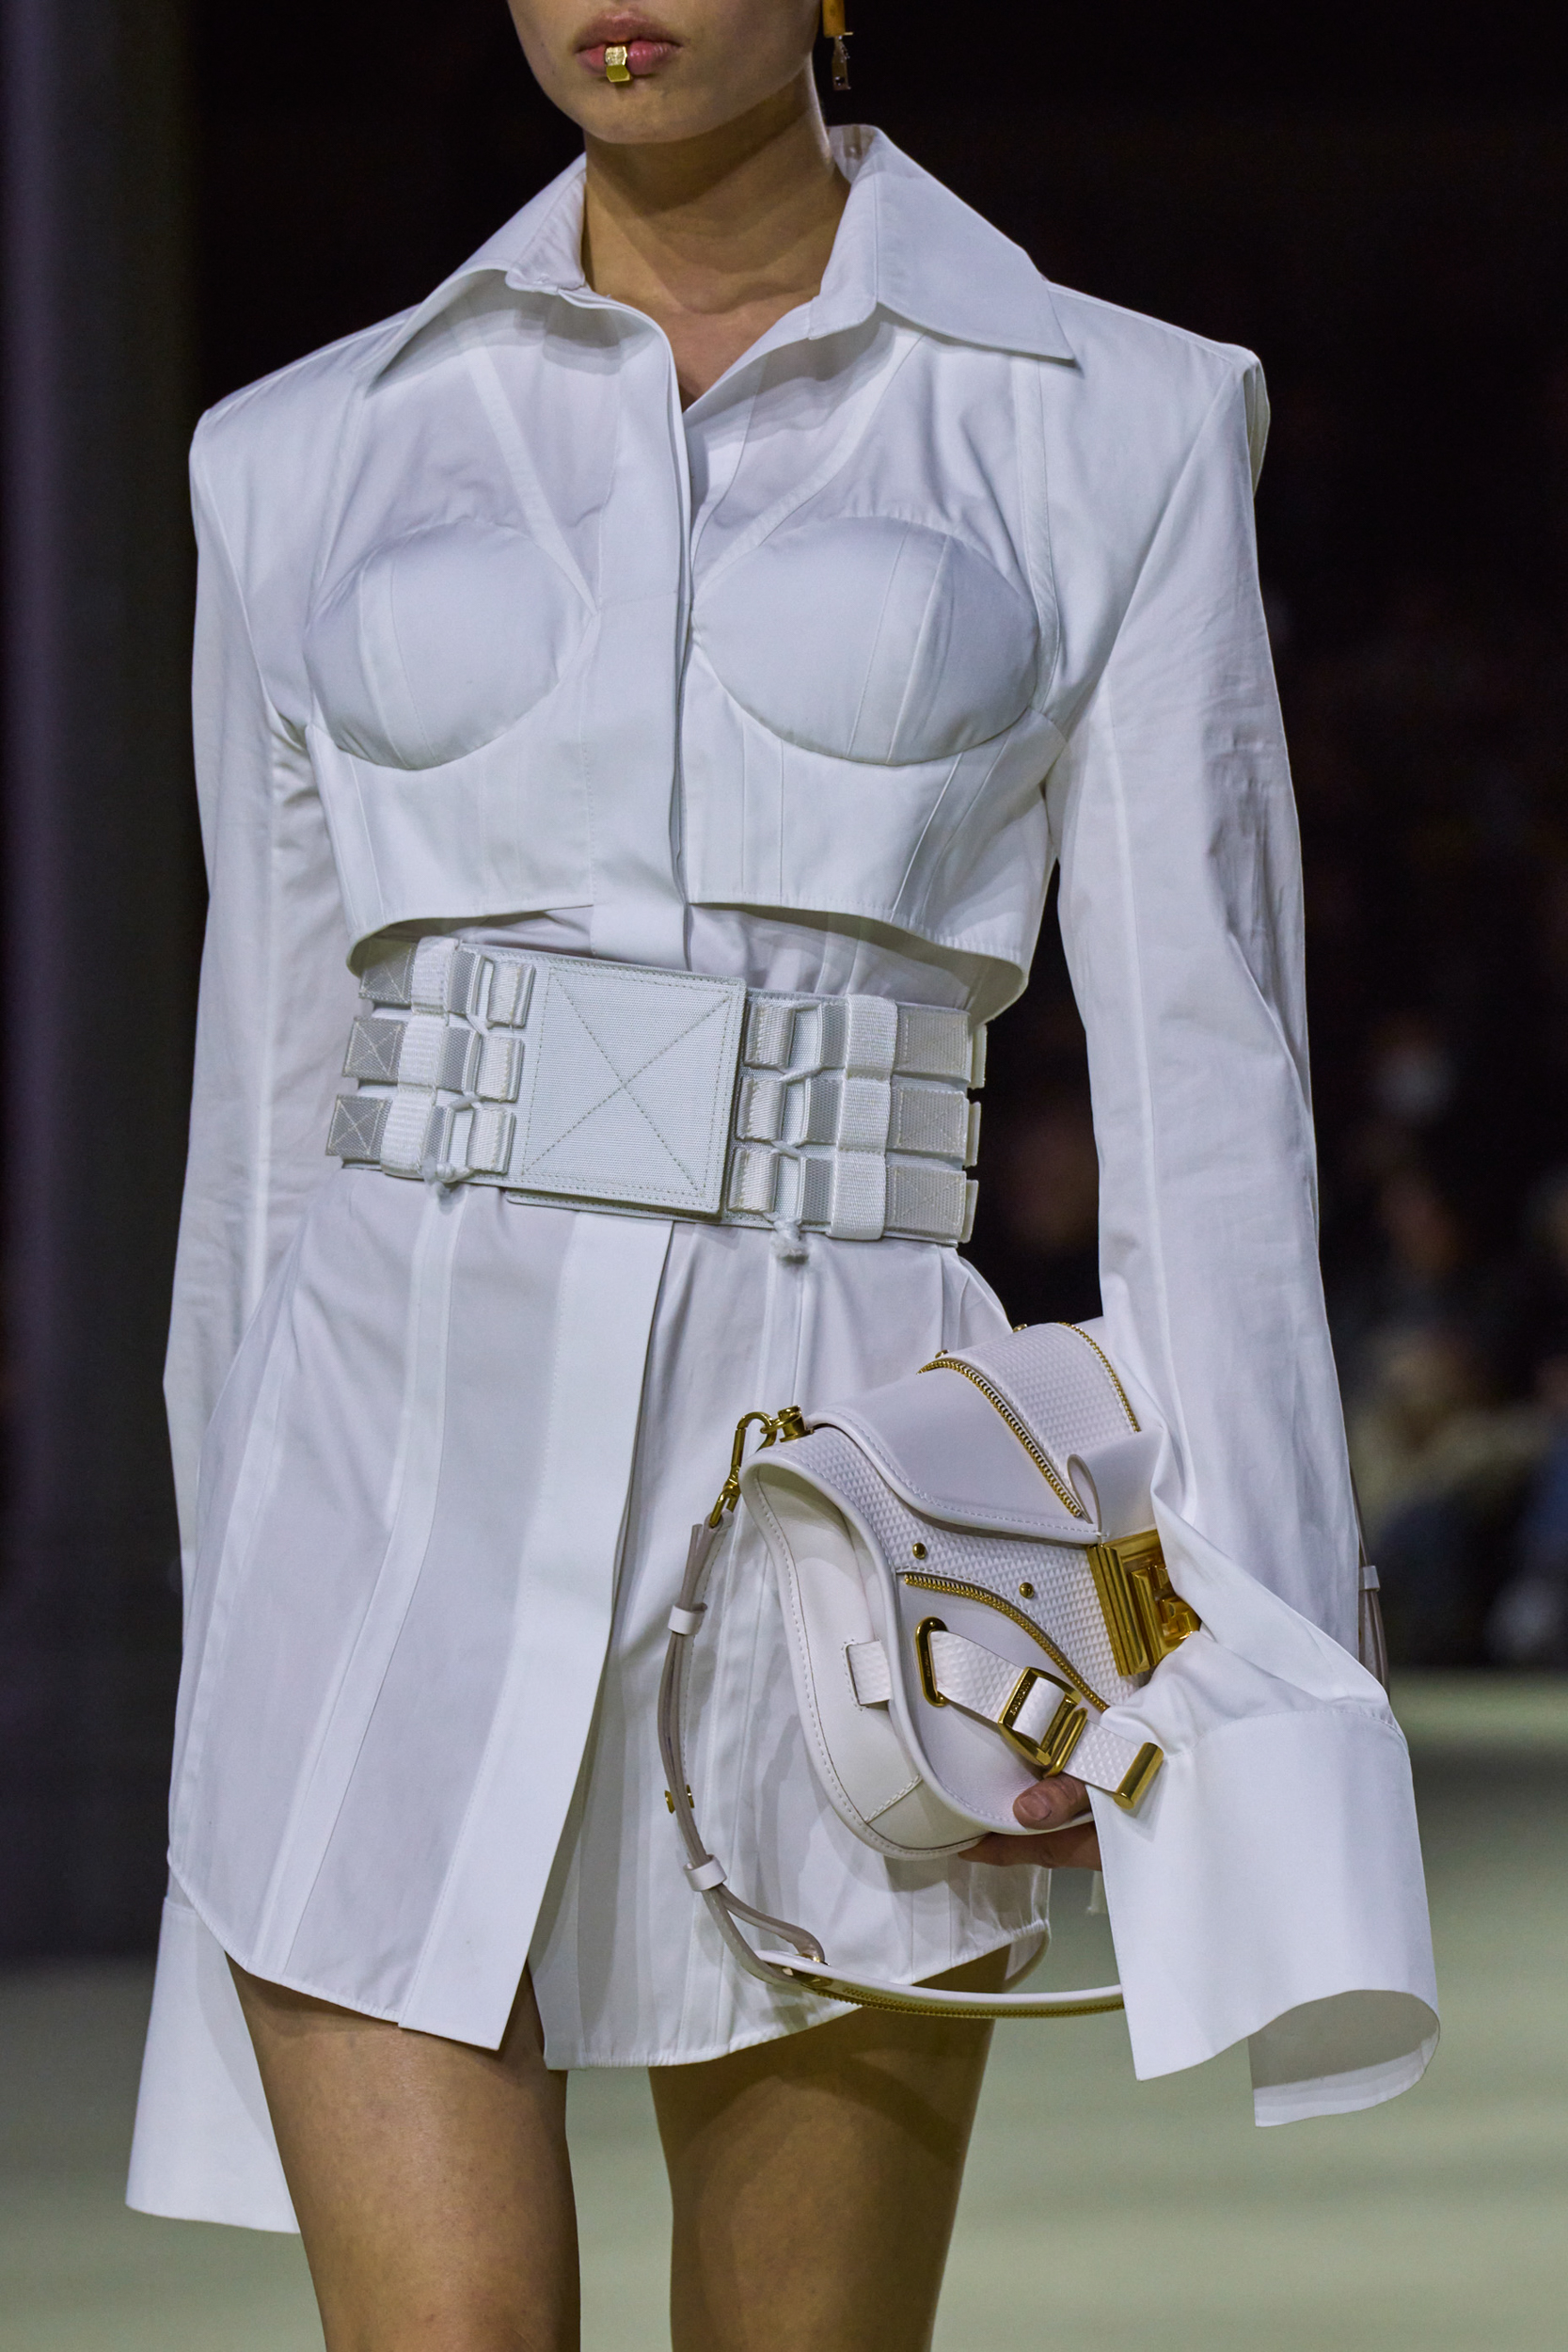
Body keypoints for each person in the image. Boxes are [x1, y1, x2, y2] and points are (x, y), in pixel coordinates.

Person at [126, 3, 1394, 2344]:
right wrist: (227, 1622)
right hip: (377, 1508)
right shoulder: (299, 453)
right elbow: (264, 1123)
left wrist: (1252, 1682)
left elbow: (1213, 1102)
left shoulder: (1110, 418)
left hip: (842, 1520)